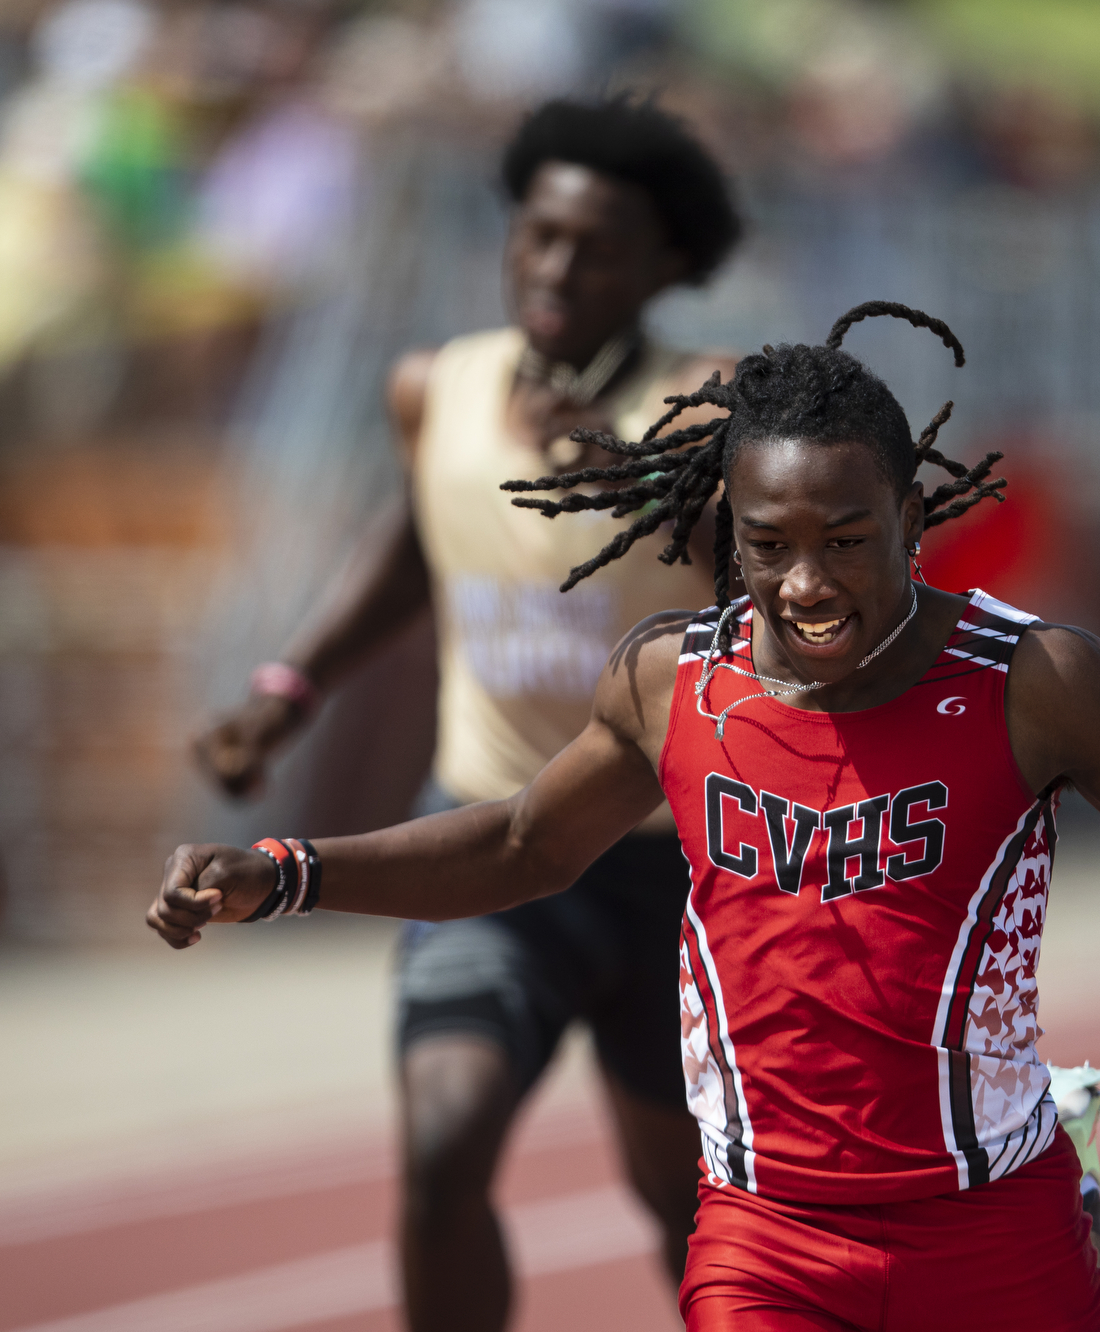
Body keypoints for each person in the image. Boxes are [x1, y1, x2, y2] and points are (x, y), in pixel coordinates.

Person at [153, 301, 1100, 1331]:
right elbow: (522, 845)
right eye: (768, 548)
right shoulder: (674, 688)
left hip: (996, 1228)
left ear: (912, 517)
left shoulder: (1037, 685)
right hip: (767, 1243)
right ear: (727, 534)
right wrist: (285, 873)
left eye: (849, 542)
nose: (808, 585)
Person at [192, 95, 738, 1331]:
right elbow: (417, 540)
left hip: (669, 867)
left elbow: (780, 581)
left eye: (596, 247)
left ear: (664, 265)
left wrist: (645, 478)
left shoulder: (706, 404)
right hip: (482, 841)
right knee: (442, 1149)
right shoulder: (434, 384)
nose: (554, 266)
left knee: (683, 1201)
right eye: (537, 235)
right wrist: (287, 692)